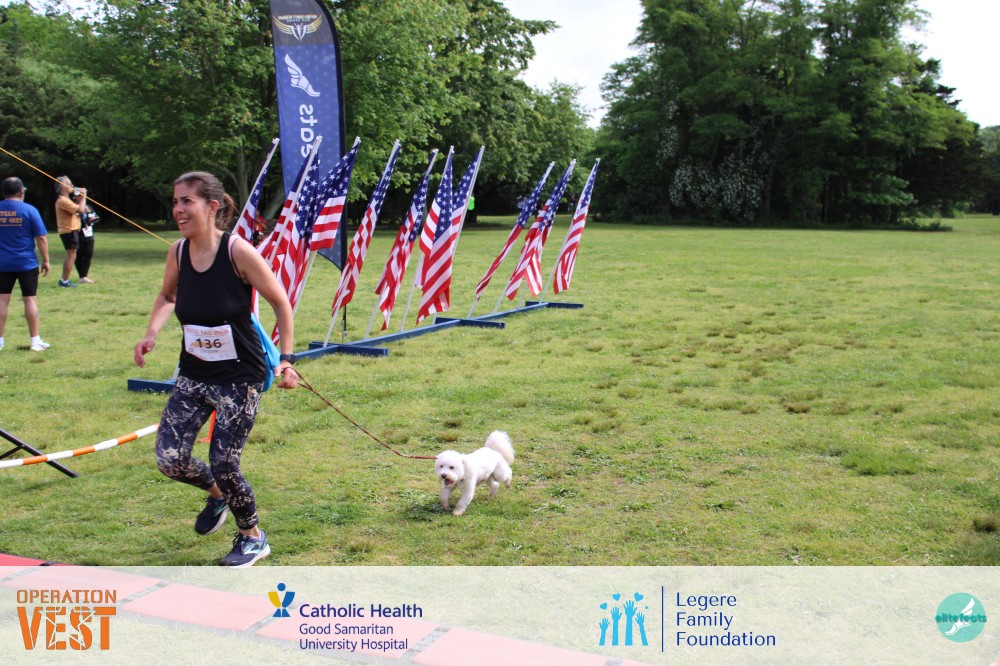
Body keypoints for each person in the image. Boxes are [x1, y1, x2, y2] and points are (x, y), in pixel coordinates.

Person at [133, 171, 298, 567]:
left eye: (186, 201)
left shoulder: (238, 252)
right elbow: (167, 295)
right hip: (194, 375)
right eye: (175, 201)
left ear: (212, 206)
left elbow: (280, 302)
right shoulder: (177, 252)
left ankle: (253, 538)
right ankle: (218, 495)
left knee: (225, 462)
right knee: (170, 458)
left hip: (240, 378)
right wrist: (151, 334)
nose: (177, 209)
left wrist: (287, 359)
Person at [0, 177, 51, 352]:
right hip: (26, 263)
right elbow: (41, 237)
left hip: (2, 263)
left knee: (2, 300)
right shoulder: (30, 210)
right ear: (21, 191)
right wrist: (46, 260)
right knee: (29, 299)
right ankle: (35, 341)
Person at [54, 176, 88, 287]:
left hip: (71, 230)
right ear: (63, 187)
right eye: (69, 184)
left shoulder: (66, 200)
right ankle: (64, 281)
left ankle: (64, 280)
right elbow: (80, 210)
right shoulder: (63, 201)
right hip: (68, 231)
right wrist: (84, 196)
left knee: (72, 255)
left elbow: (79, 209)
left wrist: (80, 201)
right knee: (71, 255)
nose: (72, 186)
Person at [75, 202, 99, 283]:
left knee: (89, 253)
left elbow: (94, 217)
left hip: (89, 233)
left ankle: (84, 276)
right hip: (79, 234)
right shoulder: (74, 206)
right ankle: (82, 276)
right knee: (79, 255)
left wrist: (94, 219)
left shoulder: (89, 207)